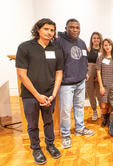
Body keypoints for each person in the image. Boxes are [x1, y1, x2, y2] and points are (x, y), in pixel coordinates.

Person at [16, 18, 63, 164]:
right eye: (46, 29)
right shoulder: (25, 47)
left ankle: (50, 145)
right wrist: (37, 95)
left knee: (49, 122)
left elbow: (59, 73)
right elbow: (21, 74)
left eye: (52, 30)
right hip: (30, 95)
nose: (50, 32)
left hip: (49, 94)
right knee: (32, 124)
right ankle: (36, 148)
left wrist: (53, 94)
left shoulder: (56, 50)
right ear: (38, 30)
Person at [54, 18, 94, 149]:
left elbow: (84, 59)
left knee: (79, 107)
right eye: (71, 27)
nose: (75, 29)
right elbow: (56, 62)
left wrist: (85, 72)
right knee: (65, 110)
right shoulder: (59, 42)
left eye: (77, 27)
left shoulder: (81, 42)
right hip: (66, 83)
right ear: (66, 28)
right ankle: (65, 135)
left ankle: (79, 128)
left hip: (80, 82)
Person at [97, 38, 113, 127]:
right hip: (105, 84)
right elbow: (98, 72)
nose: (108, 47)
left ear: (112, 46)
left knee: (111, 103)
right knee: (104, 105)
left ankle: (110, 119)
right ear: (103, 46)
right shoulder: (100, 58)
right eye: (106, 45)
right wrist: (101, 86)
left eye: (109, 45)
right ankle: (105, 118)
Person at [86, 32, 103, 121]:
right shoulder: (88, 49)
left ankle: (102, 111)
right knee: (90, 93)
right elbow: (84, 62)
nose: (96, 40)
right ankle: (94, 110)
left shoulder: (102, 50)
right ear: (91, 39)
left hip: (99, 72)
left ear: (100, 39)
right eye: (94, 38)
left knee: (100, 94)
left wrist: (99, 75)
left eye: (97, 38)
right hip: (89, 72)